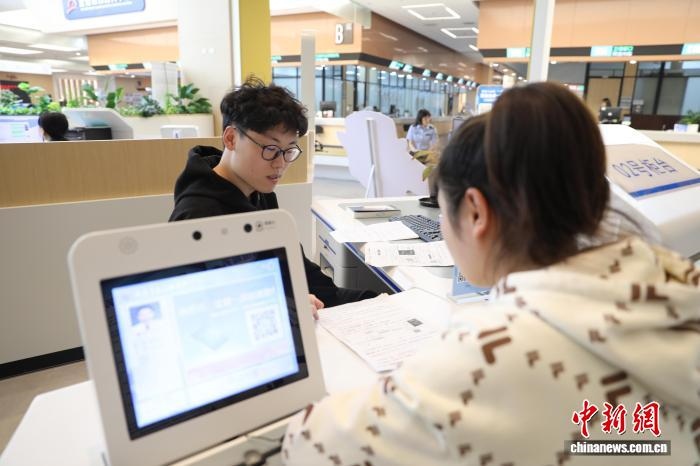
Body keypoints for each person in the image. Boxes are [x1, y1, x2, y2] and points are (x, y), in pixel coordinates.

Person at [281, 82, 700, 464]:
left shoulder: (487, 357)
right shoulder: (676, 283)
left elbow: (308, 444)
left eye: (443, 211)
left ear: (476, 212)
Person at [169, 76, 377, 312]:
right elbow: (202, 308)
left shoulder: (258, 190)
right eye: (270, 149)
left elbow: (296, 268)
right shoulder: (197, 216)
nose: (280, 164)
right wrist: (283, 303)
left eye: (288, 151)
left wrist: (371, 301)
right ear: (231, 138)